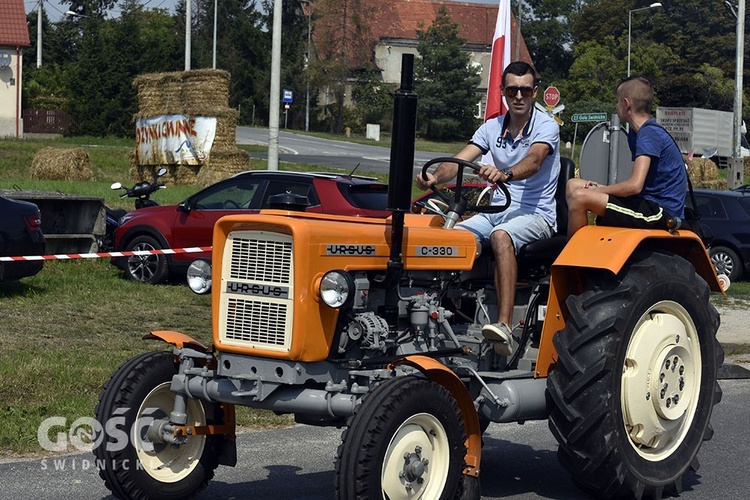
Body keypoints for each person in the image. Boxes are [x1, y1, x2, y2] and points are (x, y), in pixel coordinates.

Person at [416, 61, 561, 356]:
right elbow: (460, 160)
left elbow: (534, 161)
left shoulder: (546, 126)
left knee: (500, 236)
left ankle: (504, 326)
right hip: (498, 210)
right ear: (503, 92)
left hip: (536, 214)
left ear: (534, 91)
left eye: (524, 90)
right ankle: (435, 309)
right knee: (451, 235)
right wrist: (434, 176)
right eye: (511, 90)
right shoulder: (492, 127)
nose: (518, 96)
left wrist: (505, 174)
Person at [566, 75, 686, 238]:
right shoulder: (636, 134)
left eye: (617, 101)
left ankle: (573, 256)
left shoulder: (648, 134)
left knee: (580, 197)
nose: (616, 106)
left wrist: (599, 190)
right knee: (573, 185)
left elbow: (634, 186)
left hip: (659, 212)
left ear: (626, 103)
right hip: (644, 203)